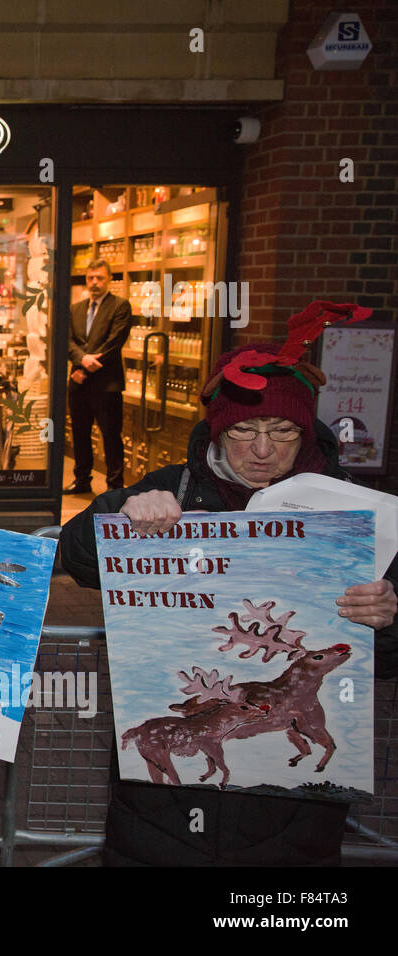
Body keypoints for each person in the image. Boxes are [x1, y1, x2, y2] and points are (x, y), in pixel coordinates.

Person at [60, 302, 397, 865]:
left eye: (283, 431)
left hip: (290, 819)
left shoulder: (350, 517)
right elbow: (76, 555)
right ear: (219, 428)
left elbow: (384, 660)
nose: (263, 451)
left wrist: (387, 617)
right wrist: (122, 514)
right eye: (246, 431)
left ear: (306, 430)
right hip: (164, 806)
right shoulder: (177, 488)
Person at [66, 259, 132, 494]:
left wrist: (84, 366)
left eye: (100, 278)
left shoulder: (120, 306)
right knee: (80, 435)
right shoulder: (75, 308)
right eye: (90, 278)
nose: (94, 282)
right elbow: (68, 340)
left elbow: (114, 343)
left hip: (107, 385)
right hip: (78, 385)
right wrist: (82, 359)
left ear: (109, 280)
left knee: (111, 436)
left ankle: (115, 486)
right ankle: (82, 480)